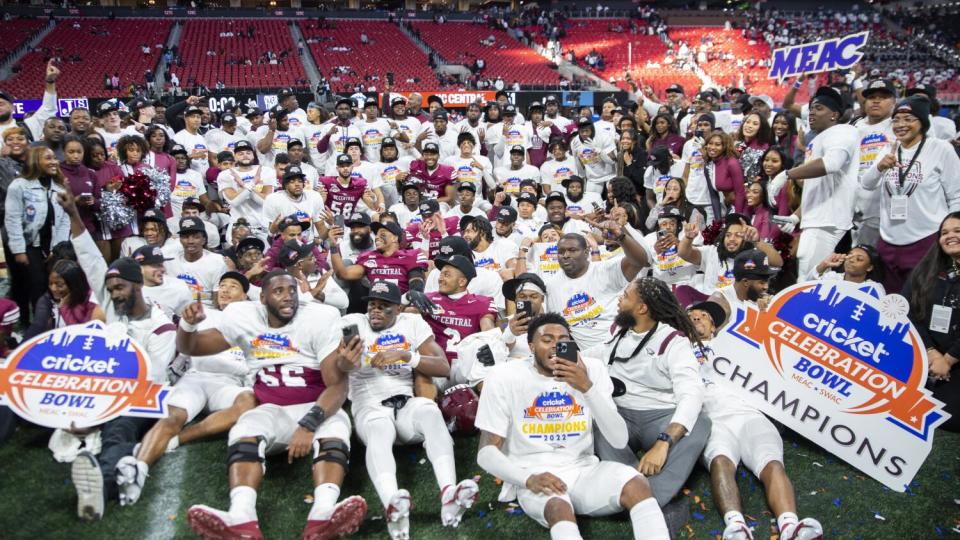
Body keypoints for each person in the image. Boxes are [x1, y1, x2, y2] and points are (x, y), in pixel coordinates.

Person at [178, 270, 367, 539]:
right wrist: (188, 325)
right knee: (244, 427)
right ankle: (241, 517)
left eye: (292, 290)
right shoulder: (243, 317)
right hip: (272, 409)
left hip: (315, 406)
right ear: (263, 297)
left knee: (337, 425)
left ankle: (323, 514)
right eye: (279, 291)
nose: (288, 296)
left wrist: (308, 424)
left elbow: (337, 386)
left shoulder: (319, 318)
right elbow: (192, 347)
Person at [475, 313, 669, 540]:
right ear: (530, 346)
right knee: (559, 508)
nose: (557, 346)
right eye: (547, 340)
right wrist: (528, 479)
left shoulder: (591, 370)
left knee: (636, 483)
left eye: (563, 340)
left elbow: (618, 439)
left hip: (583, 469)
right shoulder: (504, 375)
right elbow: (486, 453)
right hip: (532, 472)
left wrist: (586, 387)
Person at [58, 188, 177, 521]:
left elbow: (147, 381)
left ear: (137, 284)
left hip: (147, 397)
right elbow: (92, 261)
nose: (112, 295)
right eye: (109, 291)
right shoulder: (114, 305)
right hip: (109, 387)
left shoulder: (161, 327)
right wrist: (73, 216)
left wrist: (97, 410)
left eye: (119, 288)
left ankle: (104, 481)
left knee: (118, 429)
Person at [337, 281, 478, 538]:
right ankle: (393, 503)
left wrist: (405, 356)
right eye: (372, 305)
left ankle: (448, 492)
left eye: (384, 307)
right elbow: (338, 368)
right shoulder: (352, 324)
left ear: (399, 309)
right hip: (370, 406)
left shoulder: (411, 324)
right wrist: (346, 361)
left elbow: (442, 367)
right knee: (379, 428)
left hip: (405, 405)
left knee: (429, 411)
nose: (376, 312)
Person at [116, 271, 257, 507]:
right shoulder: (204, 313)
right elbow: (191, 351)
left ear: (244, 296)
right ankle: (138, 469)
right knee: (171, 417)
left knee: (249, 403)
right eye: (222, 285)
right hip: (196, 378)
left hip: (228, 384)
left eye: (233, 287)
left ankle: (177, 440)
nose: (224, 290)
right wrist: (188, 324)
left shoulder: (251, 320)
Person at [687, 298, 824, 540]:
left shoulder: (738, 345)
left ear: (716, 327)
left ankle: (791, 527)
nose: (697, 316)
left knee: (771, 463)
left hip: (750, 414)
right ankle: (737, 528)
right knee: (720, 461)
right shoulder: (676, 350)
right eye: (692, 315)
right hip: (711, 419)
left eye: (704, 315)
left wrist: (763, 318)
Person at [589, 277, 709, 529]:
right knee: (595, 418)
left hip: (659, 415)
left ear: (642, 308)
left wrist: (664, 443)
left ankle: (647, 497)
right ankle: (642, 494)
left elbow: (692, 393)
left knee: (699, 423)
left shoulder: (673, 341)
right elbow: (594, 354)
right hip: (620, 413)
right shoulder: (617, 331)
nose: (620, 299)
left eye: (626, 295)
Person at [860, 96, 960, 293]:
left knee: (920, 302)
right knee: (890, 303)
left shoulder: (940, 148)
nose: (900, 125)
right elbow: (866, 183)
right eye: (896, 119)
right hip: (888, 240)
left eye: (908, 119)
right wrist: (880, 166)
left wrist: (953, 232)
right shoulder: (889, 148)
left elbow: (956, 195)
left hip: (926, 239)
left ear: (922, 122)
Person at [769, 87, 859, 279]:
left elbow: (832, 164)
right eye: (810, 108)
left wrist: (786, 174)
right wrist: (796, 216)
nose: (811, 112)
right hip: (818, 218)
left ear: (834, 114)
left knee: (812, 279)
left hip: (828, 220)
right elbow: (817, 187)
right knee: (809, 274)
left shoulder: (843, 131)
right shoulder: (819, 139)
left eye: (818, 108)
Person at [544, 220, 651, 350]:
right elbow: (557, 329)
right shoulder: (551, 286)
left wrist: (621, 237)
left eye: (572, 250)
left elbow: (641, 261)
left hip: (622, 344)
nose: (566, 255)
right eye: (561, 251)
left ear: (586, 252)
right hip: (587, 357)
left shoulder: (604, 269)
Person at [903, 212, 960, 431]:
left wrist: (949, 359)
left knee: (948, 417)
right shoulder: (927, 270)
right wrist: (930, 352)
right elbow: (908, 312)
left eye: (957, 231)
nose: (950, 236)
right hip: (926, 355)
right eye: (944, 233)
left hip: (953, 359)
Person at [5, 146, 70, 324]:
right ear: (35, 161)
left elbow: (65, 219)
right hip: (28, 246)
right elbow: (13, 219)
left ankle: (49, 324)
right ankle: (27, 326)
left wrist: (58, 249)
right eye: (48, 158)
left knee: (48, 288)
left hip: (51, 247)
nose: (54, 162)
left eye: (54, 158)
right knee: (31, 287)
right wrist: (19, 250)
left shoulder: (59, 187)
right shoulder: (19, 186)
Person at [417, 254, 498, 371]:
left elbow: (489, 332)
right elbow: (408, 319)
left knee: (486, 371)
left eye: (446, 275)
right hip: (434, 364)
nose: (440, 278)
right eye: (441, 274)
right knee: (421, 375)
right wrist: (407, 300)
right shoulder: (428, 298)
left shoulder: (482, 302)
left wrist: (493, 347)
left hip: (466, 366)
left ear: (462, 281)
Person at [679, 213, 783, 295]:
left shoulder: (754, 255)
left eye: (738, 235)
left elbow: (778, 262)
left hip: (738, 307)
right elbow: (684, 254)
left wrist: (757, 240)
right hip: (710, 307)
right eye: (728, 235)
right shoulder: (712, 252)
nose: (731, 239)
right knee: (683, 291)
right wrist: (688, 238)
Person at [853, 79, 897, 248]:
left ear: (893, 101)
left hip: (886, 207)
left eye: (883, 96)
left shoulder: (899, 126)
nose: (876, 100)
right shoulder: (854, 127)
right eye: (871, 97)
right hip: (855, 207)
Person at [329, 219, 427, 294]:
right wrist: (333, 246)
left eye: (382, 234)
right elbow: (343, 274)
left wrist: (408, 299)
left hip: (402, 304)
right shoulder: (368, 257)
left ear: (395, 238)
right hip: (375, 304)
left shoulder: (410, 256)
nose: (376, 237)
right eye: (376, 234)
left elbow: (416, 283)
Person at [23, 259, 106, 339]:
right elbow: (37, 326)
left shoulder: (92, 300)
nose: (53, 288)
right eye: (50, 283)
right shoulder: (47, 298)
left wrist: (64, 308)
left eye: (59, 285)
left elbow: (82, 334)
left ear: (74, 284)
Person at [217, 140, 276, 241]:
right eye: (240, 153)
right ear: (234, 157)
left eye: (248, 153)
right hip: (238, 229)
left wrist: (243, 186)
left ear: (253, 155)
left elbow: (265, 201)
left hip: (262, 227)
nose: (245, 155)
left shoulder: (266, 171)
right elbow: (234, 201)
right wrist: (252, 184)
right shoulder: (226, 174)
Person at [164, 217, 229, 307]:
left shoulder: (217, 262)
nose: (190, 241)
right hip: (176, 311)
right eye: (186, 237)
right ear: (180, 240)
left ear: (204, 240)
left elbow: (218, 301)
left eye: (196, 237)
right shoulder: (170, 261)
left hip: (206, 311)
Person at [263, 165, 326, 242]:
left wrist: (330, 226)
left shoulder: (314, 197)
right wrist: (272, 231)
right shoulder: (273, 199)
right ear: (285, 185)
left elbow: (322, 232)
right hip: (284, 245)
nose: (297, 184)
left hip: (308, 245)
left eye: (300, 181)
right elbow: (270, 237)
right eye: (292, 181)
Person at [808, 246, 886, 295]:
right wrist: (824, 264)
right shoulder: (832, 277)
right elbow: (806, 287)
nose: (851, 260)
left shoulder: (873, 288)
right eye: (850, 255)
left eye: (859, 259)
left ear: (869, 267)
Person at [174, 105, 211, 177]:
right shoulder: (178, 138)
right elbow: (174, 161)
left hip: (203, 181)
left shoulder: (202, 138)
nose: (196, 120)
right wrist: (192, 156)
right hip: (187, 180)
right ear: (185, 118)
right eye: (193, 116)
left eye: (198, 117)